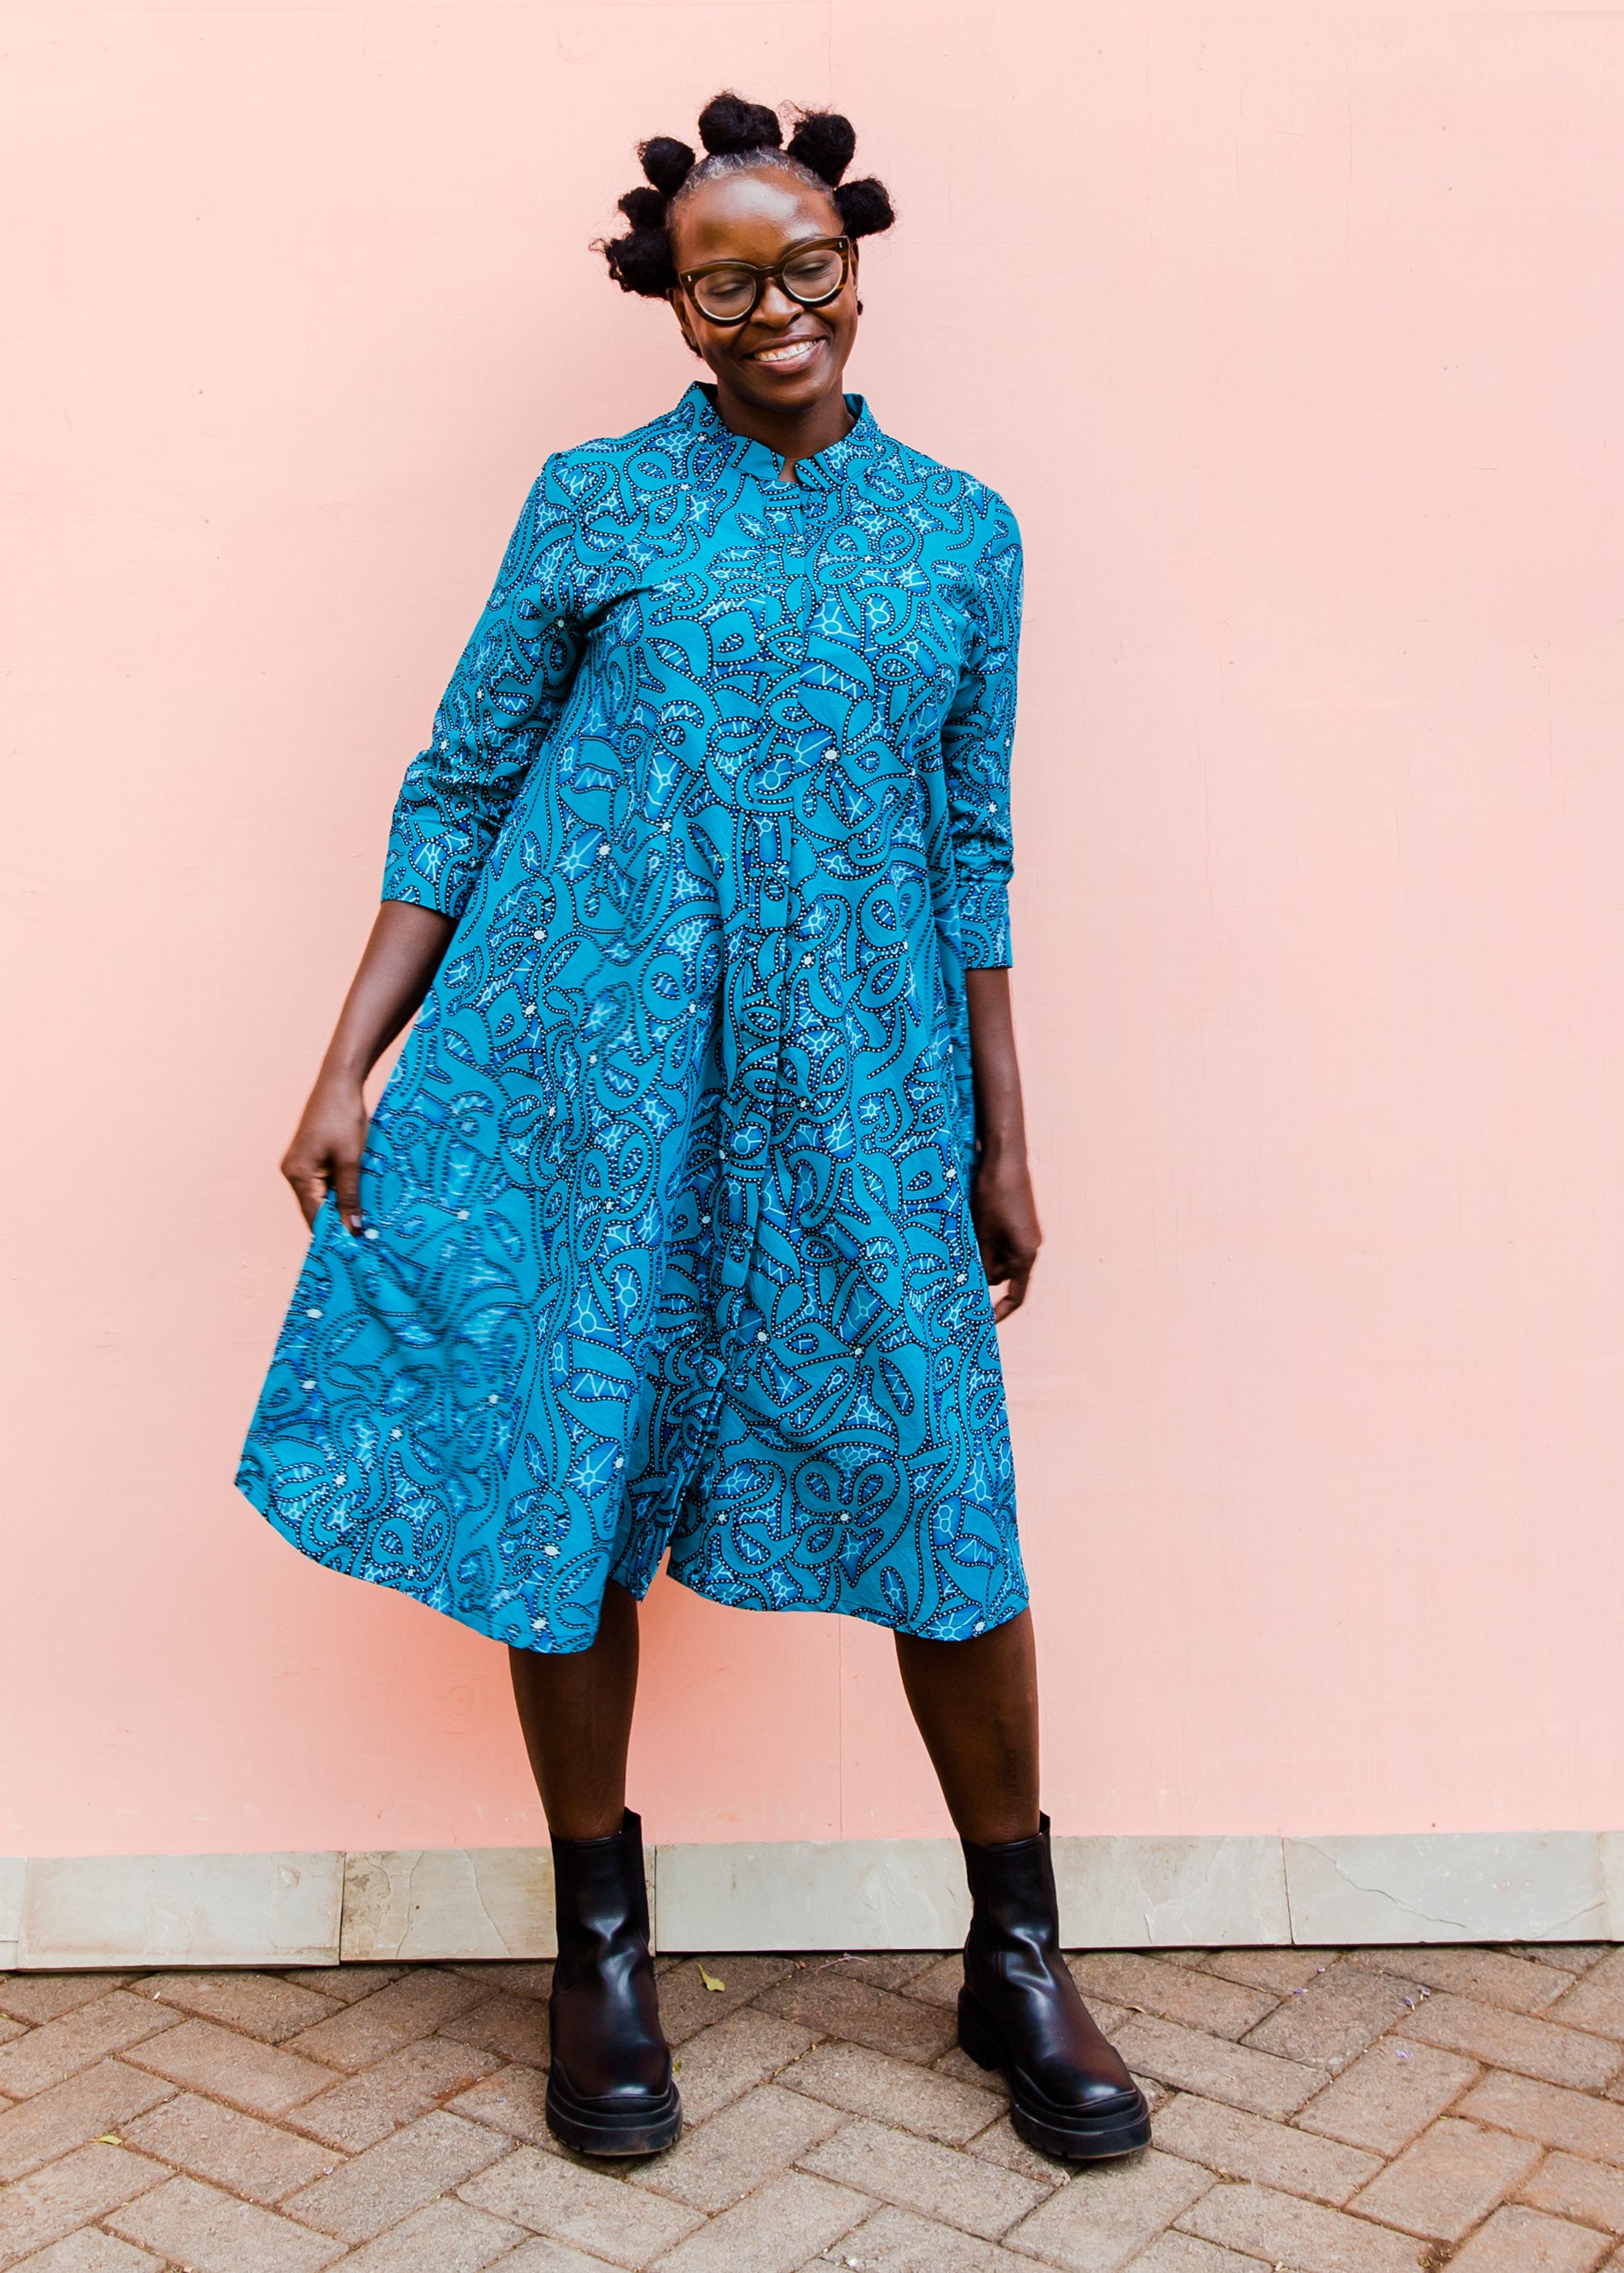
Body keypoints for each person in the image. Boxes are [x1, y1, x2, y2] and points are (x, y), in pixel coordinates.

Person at [238, 89, 1149, 2165]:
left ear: (858, 260)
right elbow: (460, 780)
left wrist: (1002, 1135)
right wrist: (345, 1055)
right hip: (582, 1080)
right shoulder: (588, 506)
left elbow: (974, 846)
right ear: (670, 304)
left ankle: (1018, 1958)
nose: (772, 310)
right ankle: (601, 1947)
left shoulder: (962, 533)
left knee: (938, 1483)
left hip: (862, 1087)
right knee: (571, 1480)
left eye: (804, 265)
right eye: (720, 281)